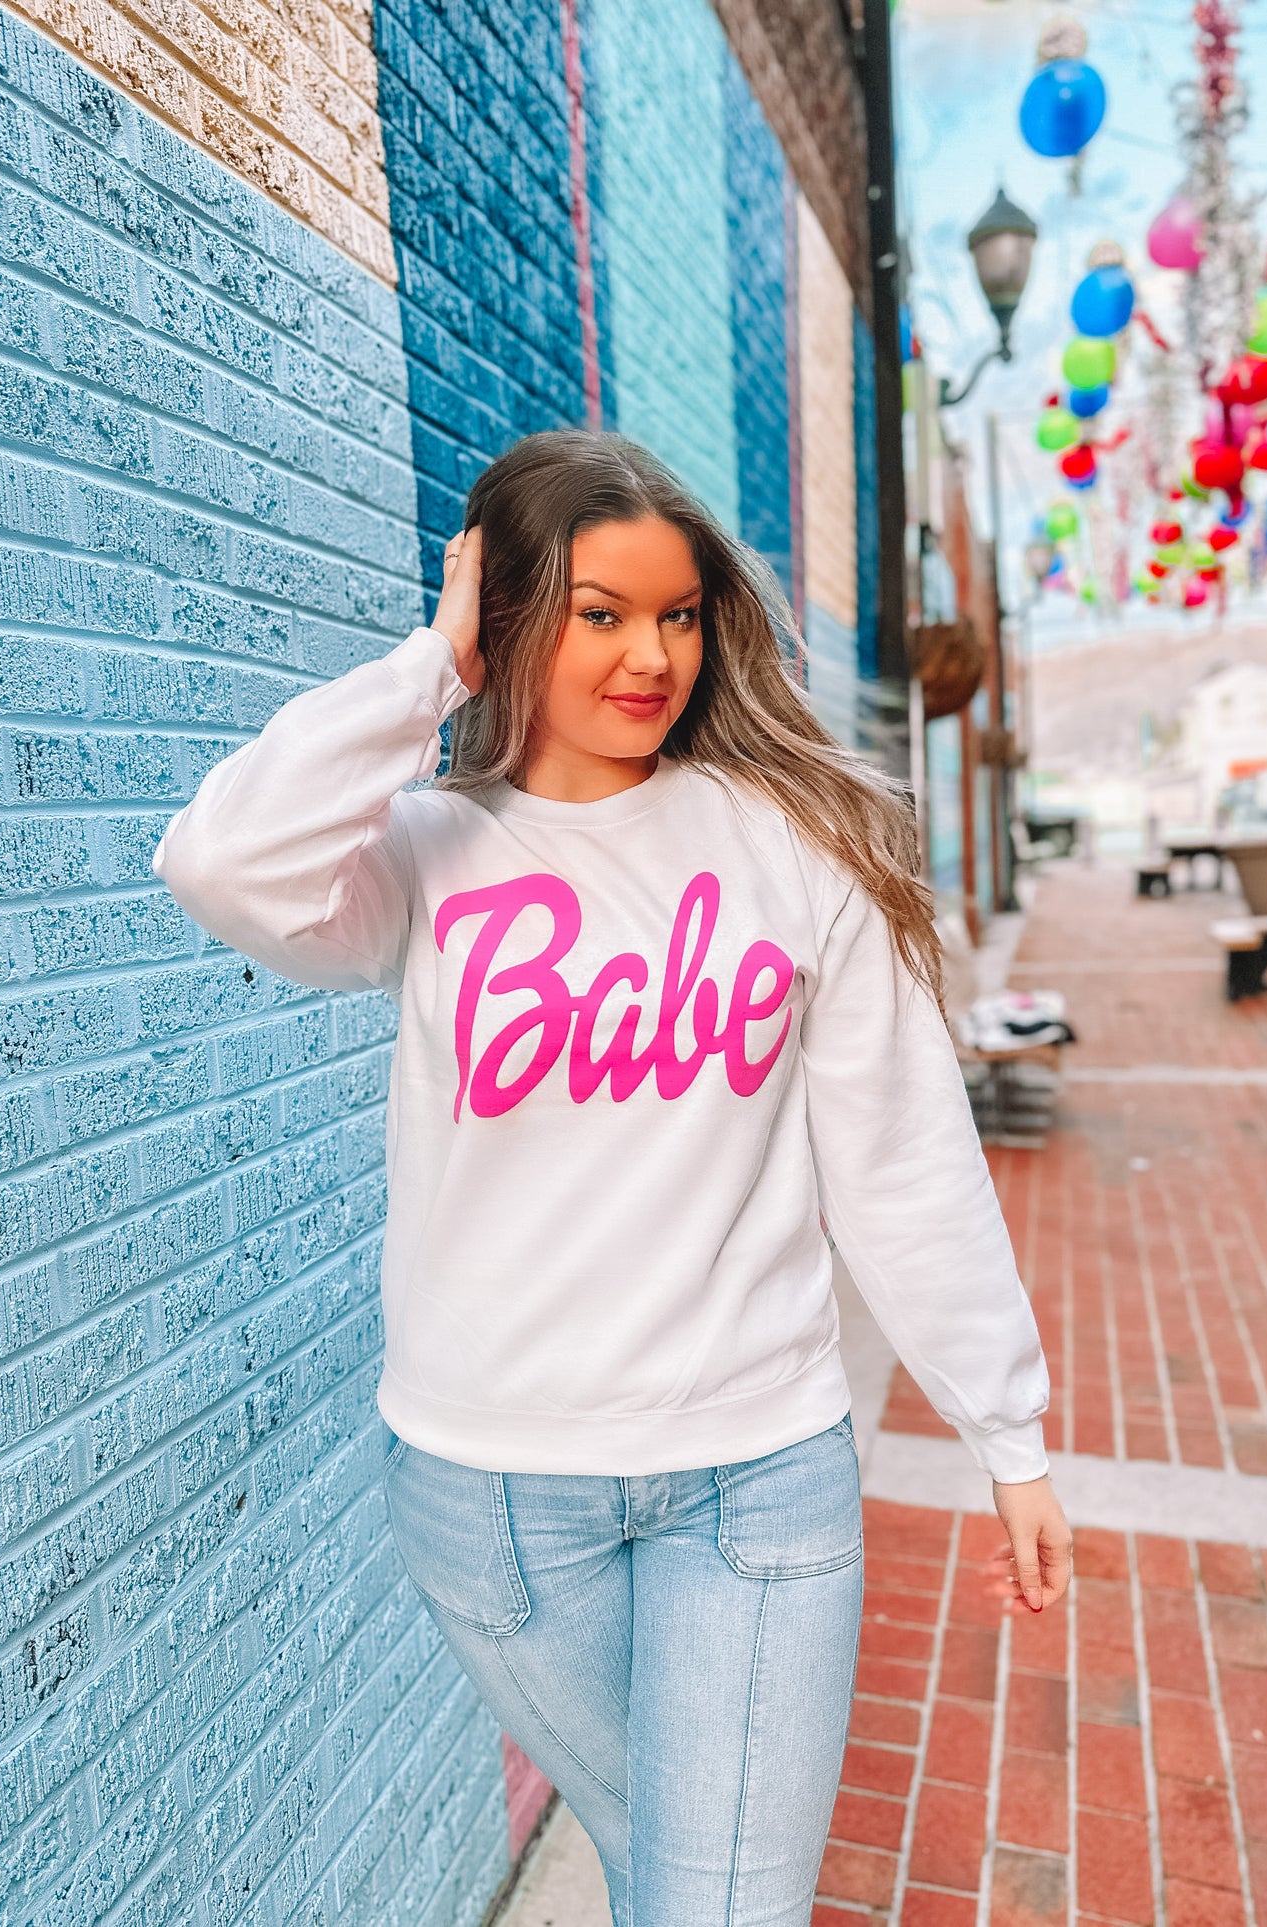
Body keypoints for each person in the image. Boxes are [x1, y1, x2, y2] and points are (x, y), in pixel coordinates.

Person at [152, 429, 1071, 1926]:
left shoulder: (800, 846)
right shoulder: (427, 856)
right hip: (493, 1484)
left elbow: (903, 1161)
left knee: (714, 1899)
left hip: (757, 1476)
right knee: (688, 1876)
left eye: (677, 613)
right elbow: (219, 863)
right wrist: (432, 667)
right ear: (513, 615)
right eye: (597, 612)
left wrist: (1006, 1430)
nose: (649, 655)